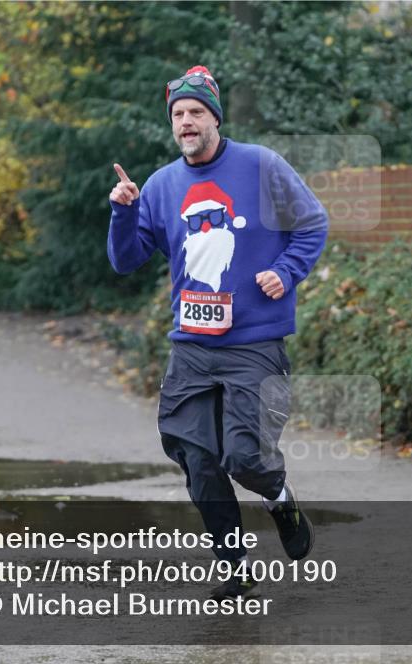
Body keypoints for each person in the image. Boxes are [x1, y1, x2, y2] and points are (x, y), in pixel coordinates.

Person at [106, 65, 329, 600]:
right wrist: (123, 213)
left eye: (196, 113)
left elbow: (313, 222)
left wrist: (286, 271)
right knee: (197, 457)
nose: (186, 122)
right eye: (178, 114)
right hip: (191, 347)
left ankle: (279, 497)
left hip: (254, 343)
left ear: (215, 119)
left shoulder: (259, 166)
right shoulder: (160, 185)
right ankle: (233, 562)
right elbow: (126, 260)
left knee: (245, 457)